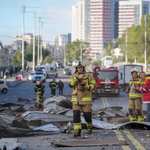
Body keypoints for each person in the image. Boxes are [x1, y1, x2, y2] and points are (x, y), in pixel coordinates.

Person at [69, 61, 95, 137]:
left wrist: (86, 87)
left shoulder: (89, 76)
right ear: (76, 68)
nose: (79, 69)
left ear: (83, 68)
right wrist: (77, 78)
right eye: (78, 68)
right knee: (76, 116)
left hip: (86, 100)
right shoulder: (73, 76)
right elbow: (71, 84)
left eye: (81, 67)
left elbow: (93, 85)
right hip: (76, 100)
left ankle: (89, 127)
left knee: (87, 115)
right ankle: (77, 132)